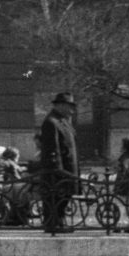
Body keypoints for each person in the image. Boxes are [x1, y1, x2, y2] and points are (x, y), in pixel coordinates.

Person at [36, 92, 79, 233]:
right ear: (60, 105)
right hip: (59, 171)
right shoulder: (51, 122)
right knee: (56, 197)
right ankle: (53, 224)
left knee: (64, 197)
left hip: (69, 168)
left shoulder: (64, 121)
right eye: (69, 106)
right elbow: (52, 148)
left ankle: (59, 222)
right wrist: (58, 169)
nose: (72, 110)